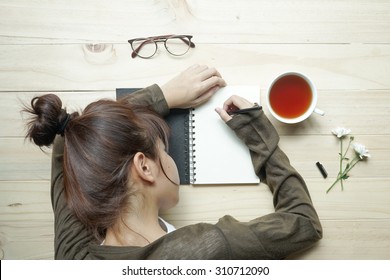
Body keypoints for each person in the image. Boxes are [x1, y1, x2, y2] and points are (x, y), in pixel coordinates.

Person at [23, 64, 322, 259]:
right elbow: (304, 223)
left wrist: (163, 95)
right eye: (165, 151)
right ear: (145, 167)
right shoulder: (208, 248)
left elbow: (67, 137)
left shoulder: (73, 258)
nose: (170, 159)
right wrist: (258, 133)